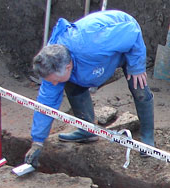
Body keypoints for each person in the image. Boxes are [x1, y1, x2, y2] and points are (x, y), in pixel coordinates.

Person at [24, 10, 154, 167]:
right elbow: (46, 103)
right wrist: (37, 142)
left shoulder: (94, 44)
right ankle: (87, 131)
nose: (54, 84)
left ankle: (148, 138)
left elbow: (131, 30)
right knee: (71, 85)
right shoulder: (50, 65)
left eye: (55, 80)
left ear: (68, 66)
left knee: (138, 86)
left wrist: (137, 66)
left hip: (124, 42)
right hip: (91, 61)